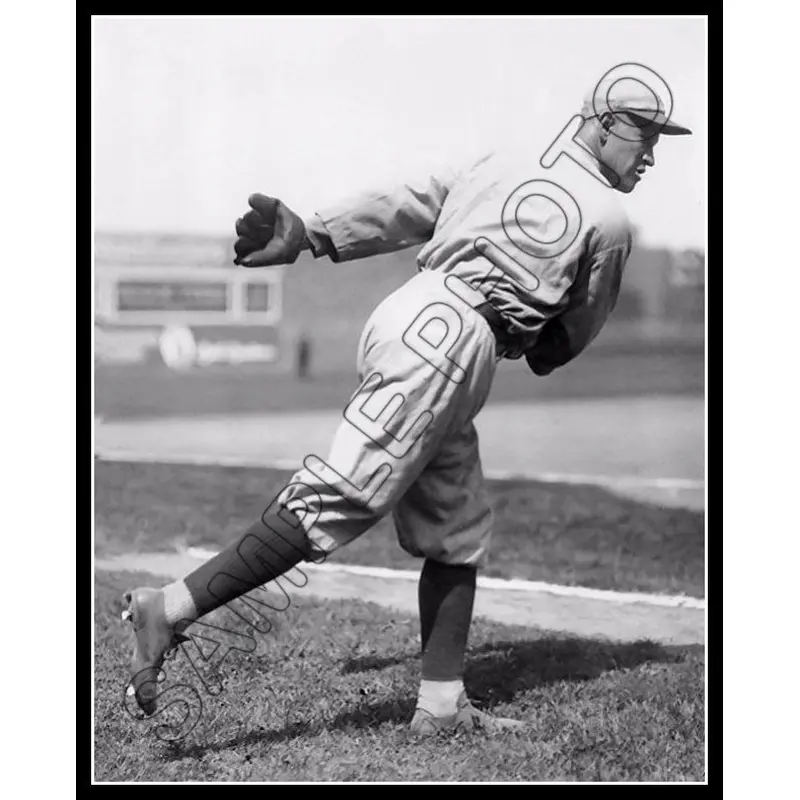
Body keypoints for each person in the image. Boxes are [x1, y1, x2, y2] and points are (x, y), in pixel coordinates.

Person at [122, 76, 692, 736]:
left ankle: (442, 703)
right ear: (602, 124)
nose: (651, 154)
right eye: (643, 135)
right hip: (451, 345)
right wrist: (539, 339)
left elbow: (408, 200)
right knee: (341, 495)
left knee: (457, 524)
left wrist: (312, 232)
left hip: (414, 312)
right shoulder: (609, 219)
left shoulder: (503, 160)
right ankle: (171, 607)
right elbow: (569, 335)